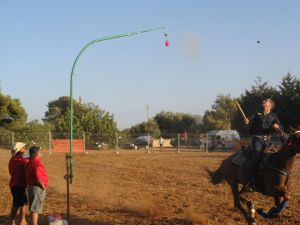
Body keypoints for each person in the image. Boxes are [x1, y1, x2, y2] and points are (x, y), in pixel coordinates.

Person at [244, 98, 281, 187]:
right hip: (257, 140)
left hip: (268, 140)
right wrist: (247, 120)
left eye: (266, 100)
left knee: (272, 159)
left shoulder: (273, 116)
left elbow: (280, 128)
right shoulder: (257, 113)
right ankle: (250, 182)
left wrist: (277, 126)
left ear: (270, 105)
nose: (264, 101)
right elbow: (249, 119)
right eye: (264, 100)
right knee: (256, 158)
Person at [25, 146, 48, 225]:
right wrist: (42, 186)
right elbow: (38, 176)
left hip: (31, 186)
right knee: (35, 208)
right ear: (37, 154)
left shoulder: (30, 161)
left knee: (33, 207)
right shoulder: (36, 163)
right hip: (37, 187)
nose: (41, 153)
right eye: (40, 152)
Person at [8, 142, 28, 225]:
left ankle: (22, 220)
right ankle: (14, 222)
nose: (25, 149)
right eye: (23, 147)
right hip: (18, 184)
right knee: (17, 204)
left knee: (22, 202)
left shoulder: (12, 159)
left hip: (15, 184)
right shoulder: (20, 160)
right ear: (20, 150)